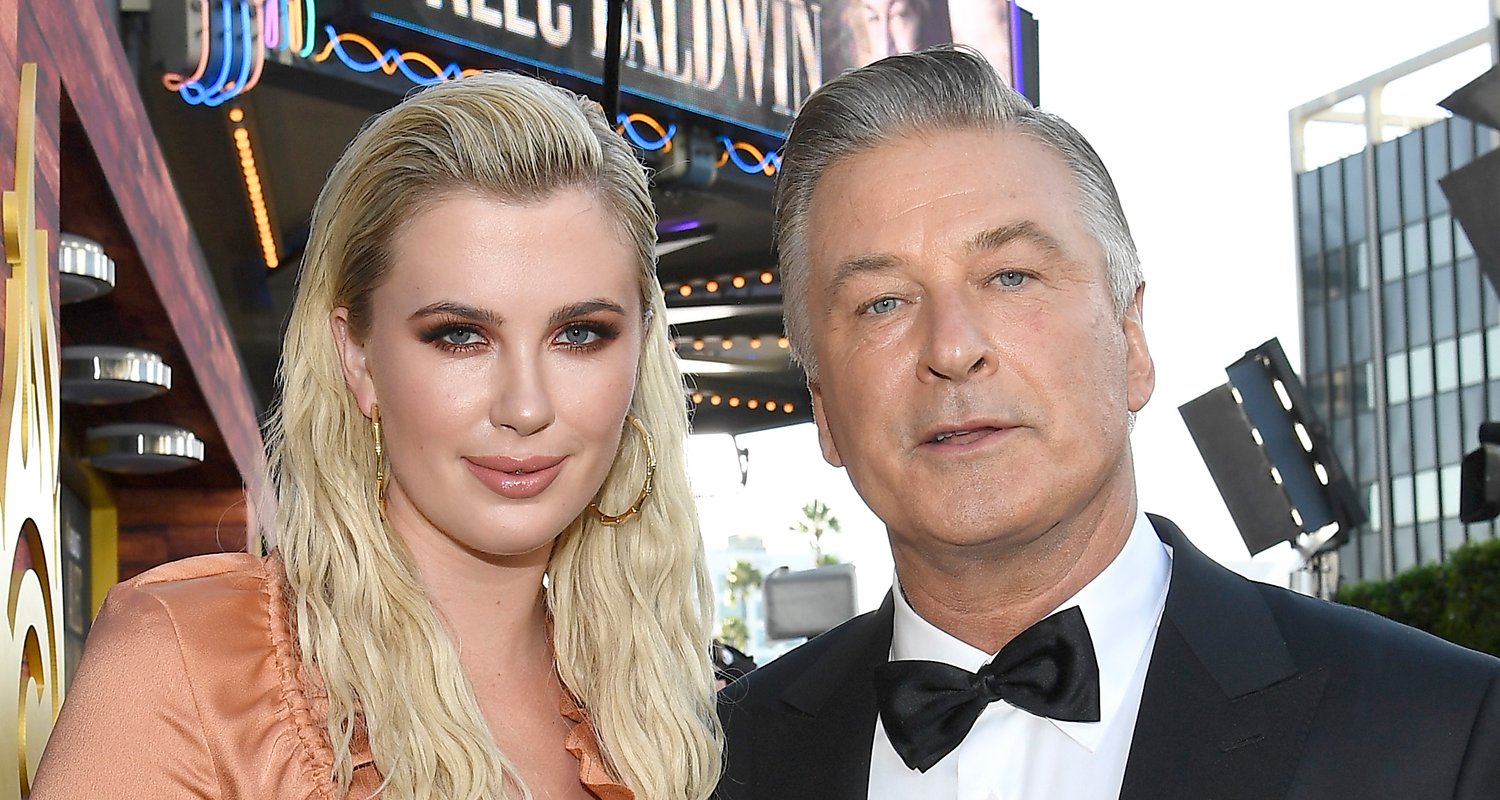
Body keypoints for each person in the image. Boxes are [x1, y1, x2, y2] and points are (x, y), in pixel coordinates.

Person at [717, 47, 1500, 799]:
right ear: (824, 406)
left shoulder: (1441, 729)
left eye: (1010, 276)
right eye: (882, 303)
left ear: (1131, 342)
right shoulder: (718, 763)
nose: (952, 349)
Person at [33, 71, 721, 800]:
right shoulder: (188, 666)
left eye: (580, 334)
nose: (525, 406)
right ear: (358, 357)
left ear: (639, 351)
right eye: (460, 336)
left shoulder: (663, 716)